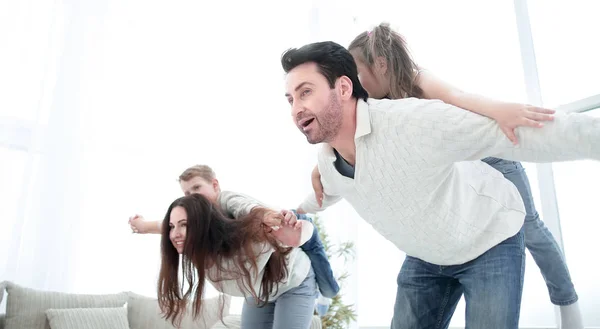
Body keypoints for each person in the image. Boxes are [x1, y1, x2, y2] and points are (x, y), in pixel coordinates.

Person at [281, 40, 599, 328]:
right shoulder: (329, 159)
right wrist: (297, 210)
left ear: (346, 87)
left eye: (305, 92)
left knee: (531, 225)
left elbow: (502, 128)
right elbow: (332, 189)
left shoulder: (413, 115)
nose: (296, 108)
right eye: (290, 98)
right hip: (428, 252)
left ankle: (568, 304)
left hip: (490, 232)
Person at [129, 164, 339, 298]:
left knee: (326, 283)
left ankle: (329, 289)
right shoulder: (199, 218)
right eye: (186, 192)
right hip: (272, 242)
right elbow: (173, 224)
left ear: (215, 185)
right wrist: (145, 226)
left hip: (284, 220)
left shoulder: (226, 199)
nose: (193, 195)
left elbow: (247, 208)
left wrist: (267, 218)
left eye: (196, 188)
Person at [158, 193, 317, 329]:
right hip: (258, 291)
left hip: (293, 282)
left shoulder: (245, 241)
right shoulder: (195, 251)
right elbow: (163, 228)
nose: (174, 234)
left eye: (183, 225)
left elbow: (302, 231)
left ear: (203, 225)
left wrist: (299, 232)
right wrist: (142, 226)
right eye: (171, 227)